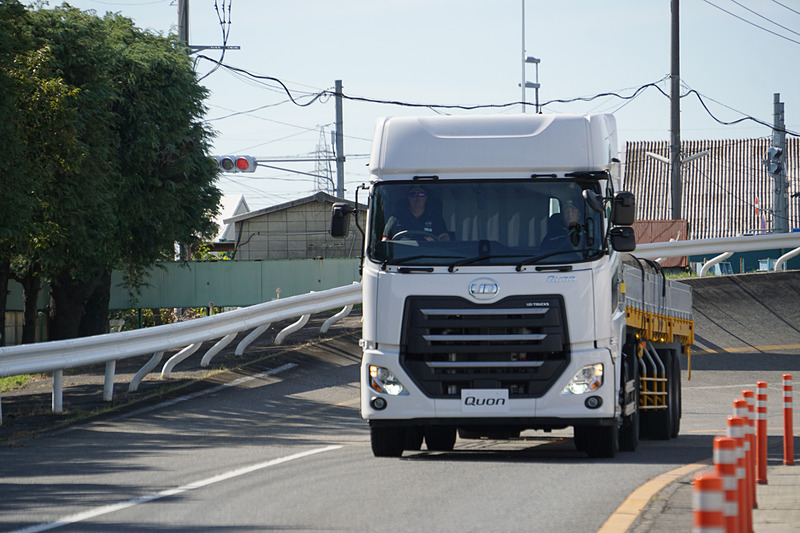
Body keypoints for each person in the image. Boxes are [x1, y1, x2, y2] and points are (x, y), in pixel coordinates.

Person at [383, 186, 450, 241]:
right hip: (402, 252)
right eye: (413, 194)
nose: (417, 198)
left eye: (421, 194)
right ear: (408, 197)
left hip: (429, 252)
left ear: (426, 197)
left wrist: (436, 241)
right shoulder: (396, 218)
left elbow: (445, 237)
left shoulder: (435, 217)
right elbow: (385, 239)